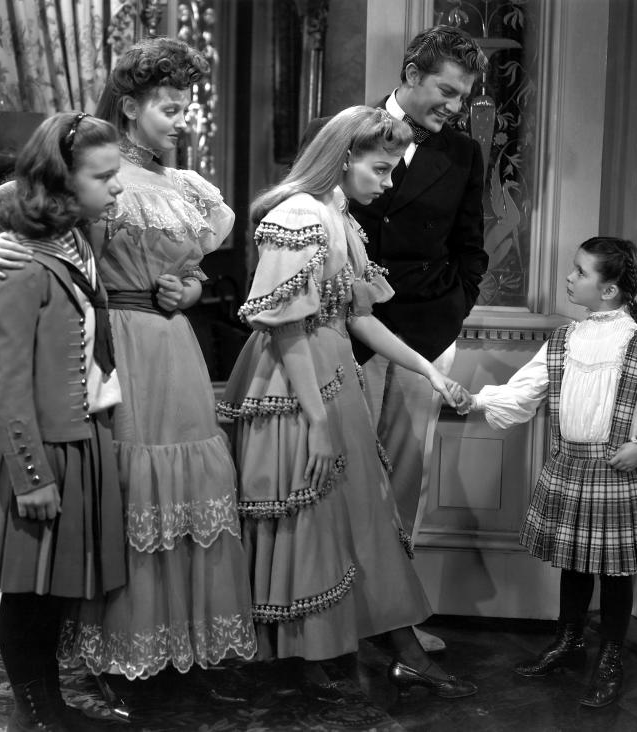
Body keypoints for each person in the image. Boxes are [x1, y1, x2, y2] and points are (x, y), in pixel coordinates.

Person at [0, 38, 257, 702]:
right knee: (127, 492)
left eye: (188, 106)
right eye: (169, 106)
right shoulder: (98, 174)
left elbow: (190, 269)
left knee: (187, 495)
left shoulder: (185, 186)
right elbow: (40, 242)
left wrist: (188, 291)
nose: (181, 118)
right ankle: (114, 653)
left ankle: (175, 647)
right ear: (129, 107)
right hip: (116, 345)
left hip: (175, 349)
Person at [220, 105, 476, 698]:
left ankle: (340, 654)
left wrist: (427, 372)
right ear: (344, 158)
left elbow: (357, 317)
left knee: (355, 516)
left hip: (332, 371)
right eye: (381, 170)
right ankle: (312, 658)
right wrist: (314, 421)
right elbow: (286, 329)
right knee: (310, 517)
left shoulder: (339, 215)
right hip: (294, 383)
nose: (387, 184)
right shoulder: (300, 217)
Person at [302, 25, 489, 653]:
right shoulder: (340, 131)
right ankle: (329, 610)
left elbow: (470, 248)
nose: (455, 107)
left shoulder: (463, 154)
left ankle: (391, 615)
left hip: (422, 334)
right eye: (446, 90)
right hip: (336, 332)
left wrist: (451, 314)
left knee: (402, 482)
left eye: (463, 97)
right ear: (411, 72)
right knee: (333, 474)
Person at [0, 111, 127, 731]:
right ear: (63, 183)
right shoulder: (20, 264)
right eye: (104, 177)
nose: (117, 187)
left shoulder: (73, 237)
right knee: (28, 593)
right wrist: (31, 476)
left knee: (54, 593)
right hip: (36, 448)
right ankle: (40, 717)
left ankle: (47, 708)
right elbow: (5, 386)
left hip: (76, 436)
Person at [452, 237, 637, 708]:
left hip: (616, 471)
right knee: (576, 562)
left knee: (616, 571)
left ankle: (612, 656)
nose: (570, 278)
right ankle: (570, 640)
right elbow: (524, 393)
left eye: (581, 272)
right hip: (570, 466)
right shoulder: (564, 339)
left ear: (610, 290)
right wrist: (475, 400)